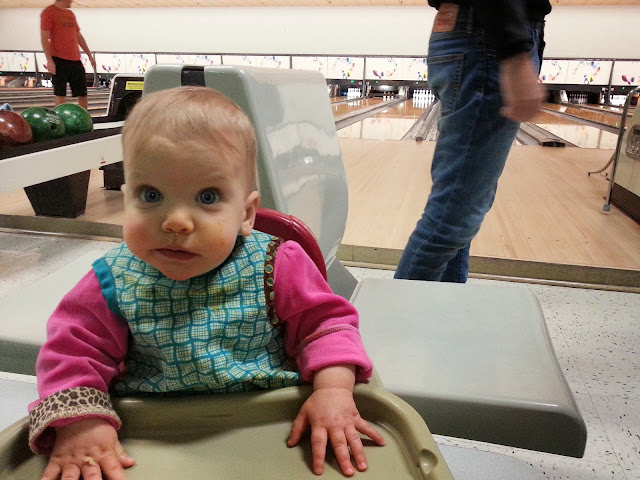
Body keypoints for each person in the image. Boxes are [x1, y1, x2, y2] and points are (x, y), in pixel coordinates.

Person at [27, 86, 385, 480]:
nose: (176, 222)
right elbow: (72, 353)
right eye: (151, 195)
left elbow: (326, 328)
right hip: (154, 436)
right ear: (125, 198)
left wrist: (333, 390)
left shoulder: (278, 265)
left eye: (208, 197)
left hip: (272, 427)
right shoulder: (112, 280)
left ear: (246, 214)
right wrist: (82, 424)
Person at [394, 1, 551, 282]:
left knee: (460, 212)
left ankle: (443, 302)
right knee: (451, 219)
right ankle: (399, 311)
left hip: (482, 33)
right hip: (488, 35)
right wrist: (515, 51)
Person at [40, 0, 97, 110]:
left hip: (75, 60)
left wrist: (89, 55)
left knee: (82, 92)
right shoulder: (48, 12)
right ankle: (61, 117)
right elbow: (44, 38)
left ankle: (85, 117)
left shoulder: (70, 14)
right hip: (58, 59)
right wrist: (49, 60)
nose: (71, 1)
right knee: (60, 92)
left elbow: (78, 36)